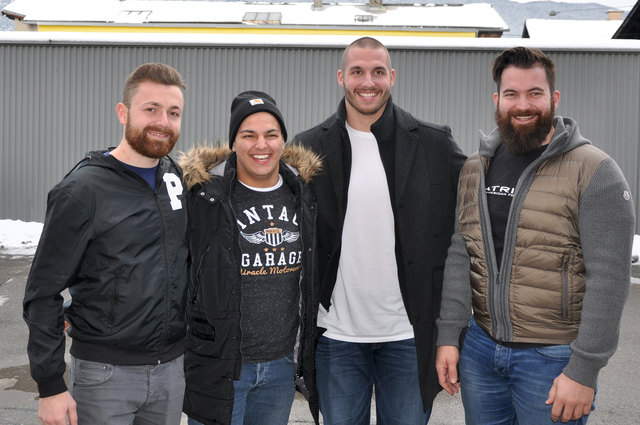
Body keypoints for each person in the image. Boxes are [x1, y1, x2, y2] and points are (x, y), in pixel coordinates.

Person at [436, 46, 635, 424]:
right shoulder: (476, 167)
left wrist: (584, 370)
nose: (522, 104)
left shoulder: (595, 171)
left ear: (554, 99)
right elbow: (462, 253)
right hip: (480, 350)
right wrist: (449, 336)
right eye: (511, 94)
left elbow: (609, 279)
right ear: (498, 99)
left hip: (553, 359)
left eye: (535, 94)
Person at [294, 37, 466, 425]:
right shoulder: (306, 150)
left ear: (392, 76)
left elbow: (476, 214)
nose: (367, 82)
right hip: (336, 337)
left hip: (408, 335)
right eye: (357, 71)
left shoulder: (435, 145)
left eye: (377, 72)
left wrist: (450, 334)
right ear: (341, 77)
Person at [23, 63, 189, 425]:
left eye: (173, 112)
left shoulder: (173, 178)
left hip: (170, 372)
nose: (163, 121)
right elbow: (42, 293)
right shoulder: (82, 191)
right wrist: (50, 385)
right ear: (123, 112)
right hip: (106, 377)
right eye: (151, 109)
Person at [178, 91, 321, 425]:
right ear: (233, 143)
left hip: (282, 366)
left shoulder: (303, 193)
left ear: (283, 141)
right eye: (249, 135)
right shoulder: (204, 196)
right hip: (221, 366)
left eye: (271, 135)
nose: (262, 145)